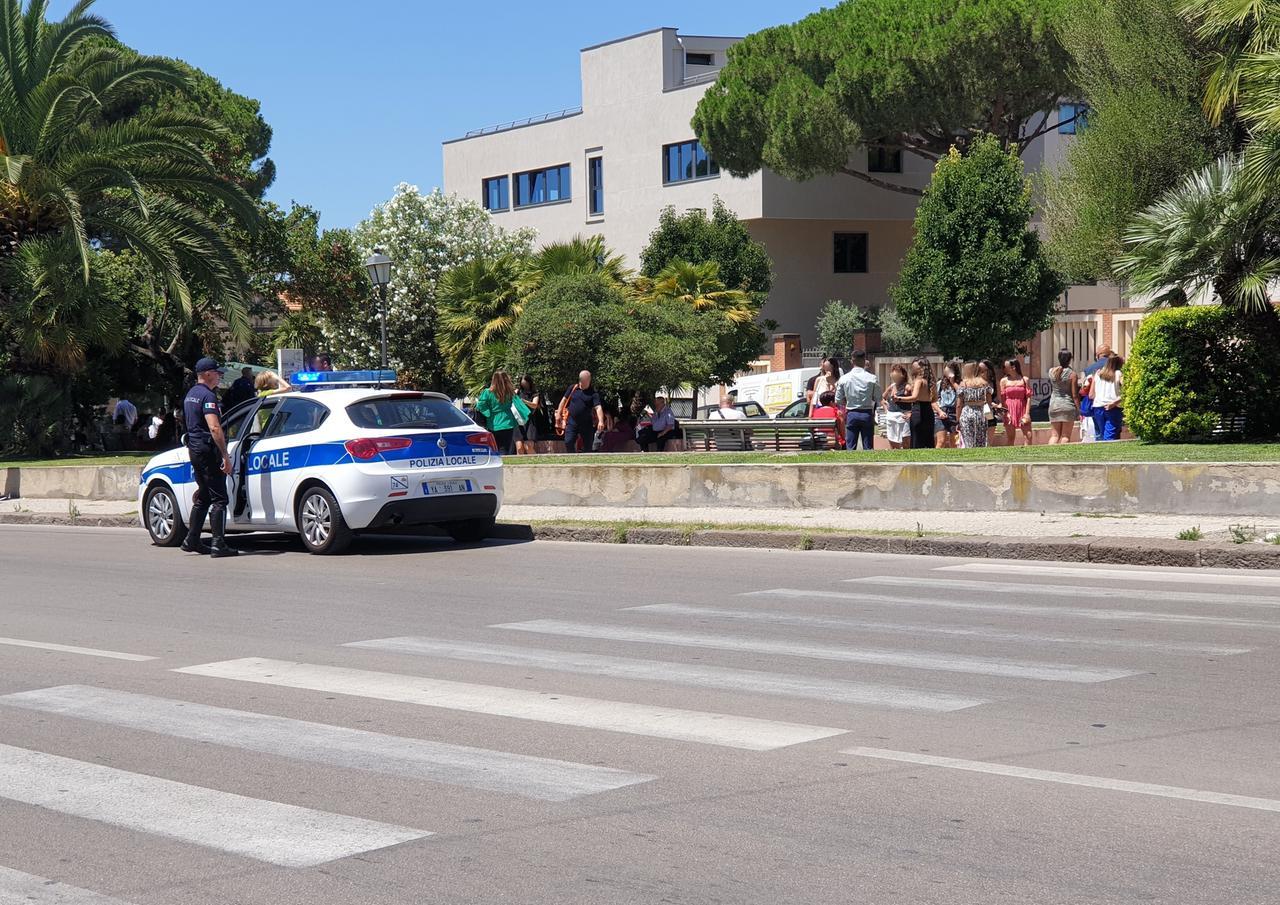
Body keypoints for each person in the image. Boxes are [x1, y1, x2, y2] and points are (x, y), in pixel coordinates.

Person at [181, 357, 237, 557]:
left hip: (195, 450)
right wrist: (225, 455)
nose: (219, 376)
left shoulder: (191, 395)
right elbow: (214, 427)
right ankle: (218, 544)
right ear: (207, 374)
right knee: (220, 499)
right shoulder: (207, 396)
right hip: (207, 450)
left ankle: (192, 539)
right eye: (217, 372)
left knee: (204, 496)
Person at [834, 349, 881, 451]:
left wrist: (846, 401)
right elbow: (878, 397)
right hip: (867, 413)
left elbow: (837, 399)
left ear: (852, 361)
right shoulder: (872, 378)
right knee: (868, 447)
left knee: (850, 447)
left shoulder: (844, 378)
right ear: (865, 361)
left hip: (851, 413)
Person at [556, 370, 605, 454]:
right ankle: (572, 459)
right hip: (572, 421)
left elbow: (598, 407)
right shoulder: (573, 388)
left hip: (586, 423)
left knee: (588, 445)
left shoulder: (593, 393)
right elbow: (563, 400)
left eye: (588, 381)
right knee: (568, 441)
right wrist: (558, 414)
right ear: (580, 380)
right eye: (585, 381)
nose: (587, 383)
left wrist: (601, 421)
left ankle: (587, 463)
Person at [474, 370, 522, 455]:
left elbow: (480, 406)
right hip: (508, 421)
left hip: (493, 422)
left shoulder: (487, 392)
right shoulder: (510, 392)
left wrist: (488, 413)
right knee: (505, 447)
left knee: (495, 447)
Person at [896, 358, 936, 449]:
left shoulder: (919, 381)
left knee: (916, 440)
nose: (912, 368)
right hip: (929, 410)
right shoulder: (931, 381)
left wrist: (898, 398)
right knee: (929, 440)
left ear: (920, 368)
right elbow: (934, 399)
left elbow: (914, 397)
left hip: (918, 411)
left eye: (914, 366)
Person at [958, 362, 993, 449]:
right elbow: (988, 403)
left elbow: (959, 405)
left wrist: (957, 420)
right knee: (981, 440)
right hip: (981, 413)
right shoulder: (984, 383)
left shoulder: (963, 384)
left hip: (967, 412)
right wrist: (990, 418)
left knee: (968, 440)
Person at [999, 358, 1034, 446]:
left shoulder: (1024, 380)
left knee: (1028, 435)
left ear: (1013, 367)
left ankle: (1028, 455)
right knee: (1011, 437)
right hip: (1009, 409)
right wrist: (1006, 413)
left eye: (1005, 366)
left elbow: (1029, 397)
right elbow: (1003, 399)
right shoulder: (1003, 381)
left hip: (1022, 408)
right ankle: (1009, 456)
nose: (1004, 368)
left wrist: (1027, 413)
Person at [1047, 349, 1079, 444]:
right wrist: (1079, 409)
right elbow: (1075, 395)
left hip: (1054, 405)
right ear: (1070, 359)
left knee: (1054, 435)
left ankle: (1049, 455)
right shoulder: (1072, 374)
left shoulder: (1051, 371)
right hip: (1067, 405)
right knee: (1065, 436)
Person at [1091, 354, 1125, 440]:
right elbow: (1126, 391)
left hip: (1098, 407)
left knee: (1104, 435)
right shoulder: (1118, 374)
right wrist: (1115, 403)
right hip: (1113, 407)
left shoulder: (1098, 374)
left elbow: (1091, 394)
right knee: (1110, 436)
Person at [881, 364, 911, 449]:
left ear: (903, 374)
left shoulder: (907, 387)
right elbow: (882, 398)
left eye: (897, 371)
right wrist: (886, 409)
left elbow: (915, 400)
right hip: (891, 415)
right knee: (892, 440)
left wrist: (910, 412)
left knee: (905, 440)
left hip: (903, 415)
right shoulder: (891, 386)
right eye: (893, 371)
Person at [515, 375, 546, 455]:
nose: (524, 386)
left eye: (526, 384)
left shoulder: (535, 393)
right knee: (519, 448)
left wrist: (524, 401)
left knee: (528, 446)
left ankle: (536, 463)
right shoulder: (517, 392)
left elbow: (534, 405)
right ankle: (520, 466)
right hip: (518, 420)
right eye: (523, 384)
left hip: (530, 421)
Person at [934, 360, 961, 448]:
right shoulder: (940, 384)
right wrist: (940, 411)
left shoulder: (960, 383)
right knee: (941, 441)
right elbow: (933, 401)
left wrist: (953, 382)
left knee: (954, 442)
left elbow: (962, 394)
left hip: (955, 412)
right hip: (942, 411)